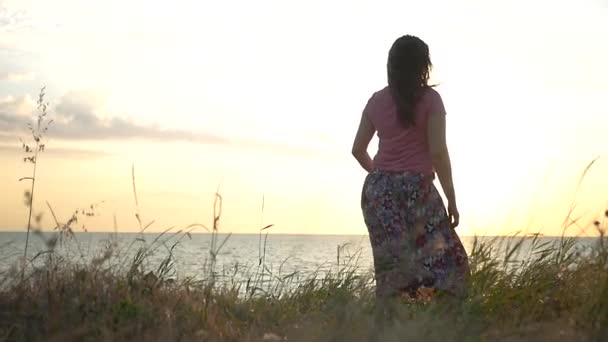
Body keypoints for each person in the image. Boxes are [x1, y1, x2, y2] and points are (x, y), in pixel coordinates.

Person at [352, 35, 470, 300]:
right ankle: (436, 324)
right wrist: (451, 199)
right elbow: (438, 153)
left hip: (378, 191)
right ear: (422, 65)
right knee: (451, 265)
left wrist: (381, 178)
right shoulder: (431, 100)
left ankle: (392, 326)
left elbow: (357, 150)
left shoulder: (376, 100)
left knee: (393, 270)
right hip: (417, 190)